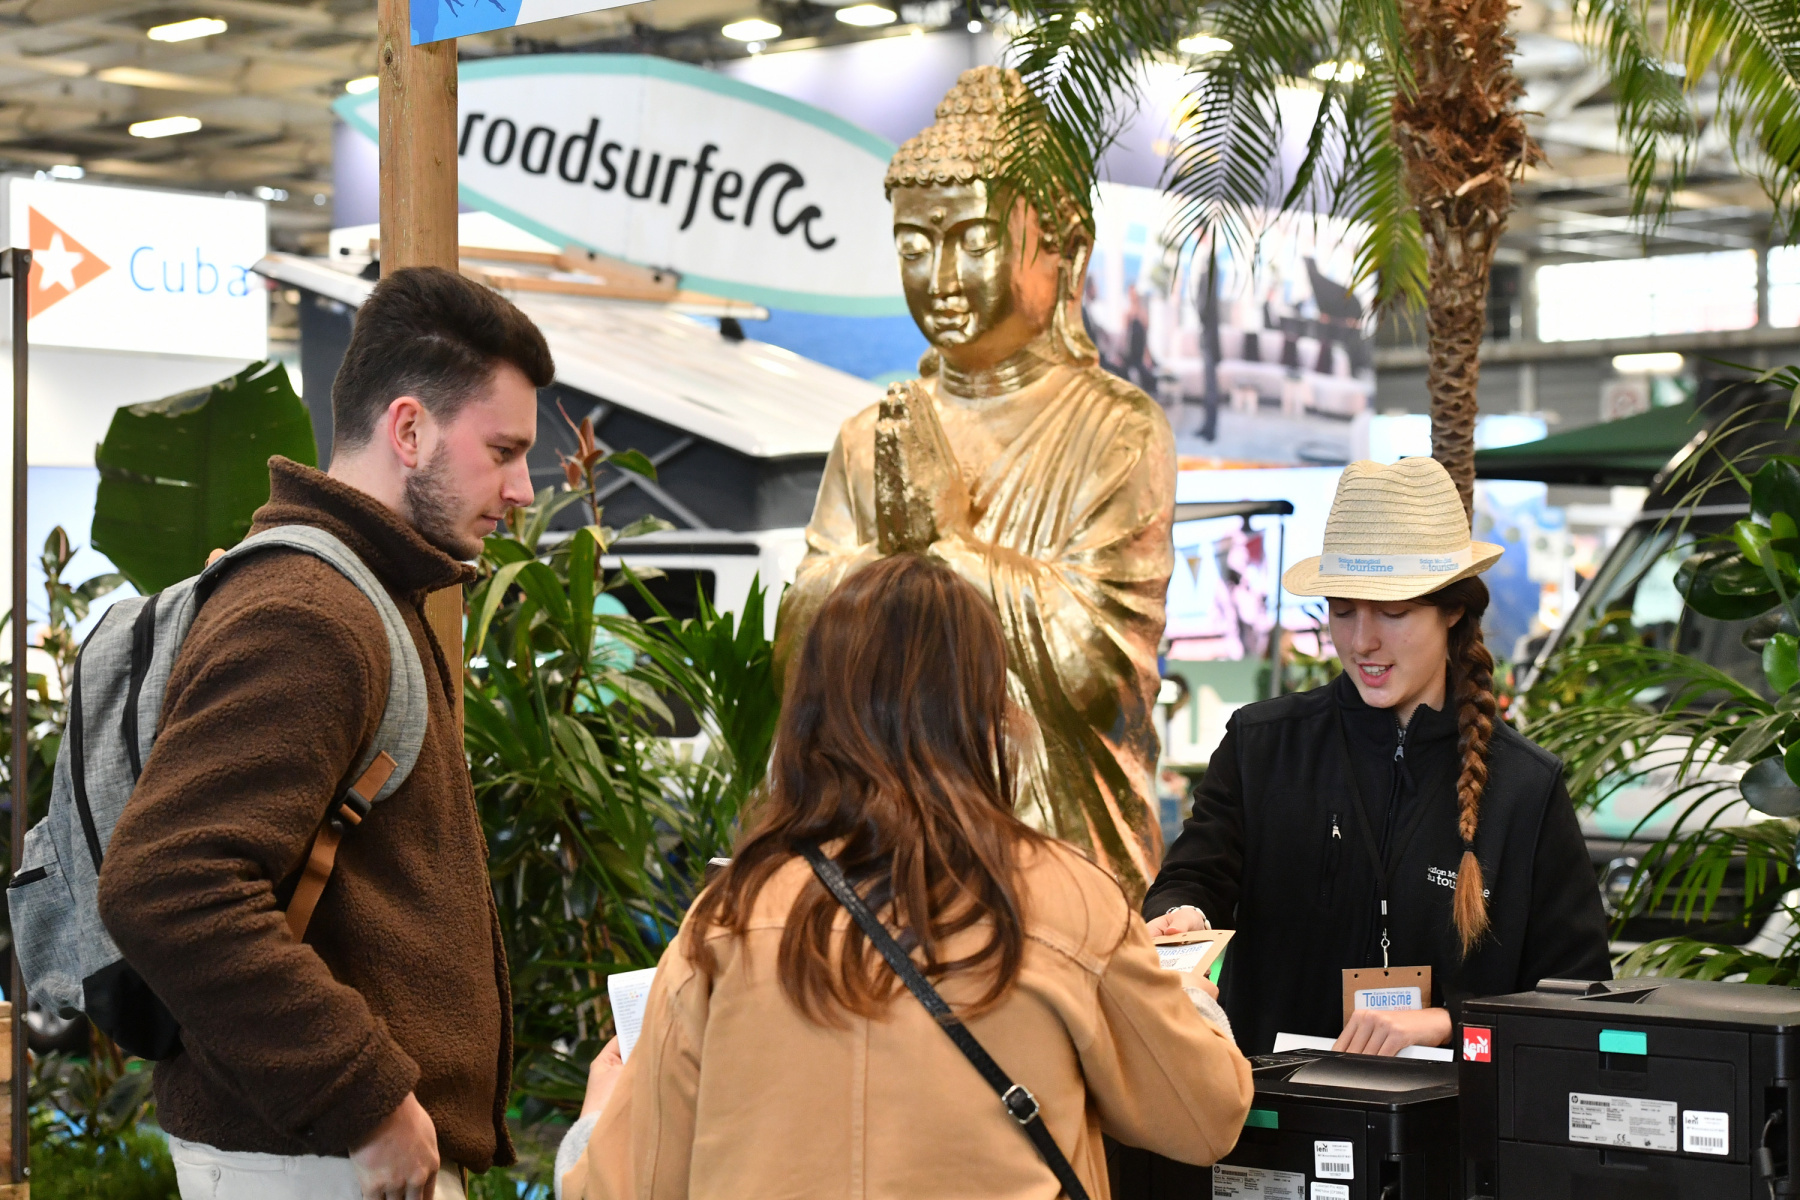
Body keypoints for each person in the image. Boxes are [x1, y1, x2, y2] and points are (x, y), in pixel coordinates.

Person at [560, 554, 1253, 1200]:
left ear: (809, 713)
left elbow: (622, 1187)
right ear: (987, 710)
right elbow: (1204, 1118)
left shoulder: (729, 915)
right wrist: (1188, 999)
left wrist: (596, 1119)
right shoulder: (1067, 900)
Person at [97, 266, 553, 1200]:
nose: (522, 488)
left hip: (320, 1153)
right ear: (409, 430)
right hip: (312, 1157)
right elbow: (168, 885)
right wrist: (365, 1099)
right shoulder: (310, 611)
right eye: (504, 451)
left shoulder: (358, 590)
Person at [1143, 457, 1610, 1057]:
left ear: (1453, 610)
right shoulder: (1263, 745)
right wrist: (1182, 915)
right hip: (1274, 1104)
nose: (1363, 640)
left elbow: (1576, 994)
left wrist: (1450, 1021)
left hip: (1446, 1112)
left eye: (1392, 612)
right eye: (1342, 610)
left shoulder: (1525, 787)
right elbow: (1194, 877)